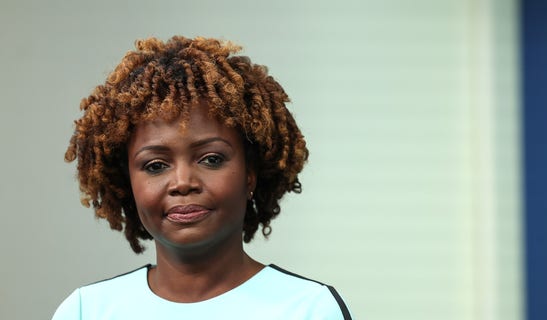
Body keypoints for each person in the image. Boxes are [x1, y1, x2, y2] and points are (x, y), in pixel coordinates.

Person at [53, 36, 352, 319]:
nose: (183, 182)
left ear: (250, 174)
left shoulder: (308, 309)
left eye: (211, 159)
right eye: (155, 165)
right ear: (126, 182)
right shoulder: (86, 311)